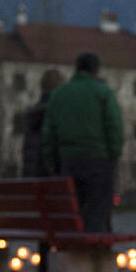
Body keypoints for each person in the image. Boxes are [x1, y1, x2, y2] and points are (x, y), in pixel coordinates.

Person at [43, 52, 123, 233]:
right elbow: (114, 128)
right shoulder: (104, 92)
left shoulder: (59, 94)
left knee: (73, 212)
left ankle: (74, 255)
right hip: (99, 162)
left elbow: (49, 134)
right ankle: (93, 256)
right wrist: (113, 156)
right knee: (97, 213)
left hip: (69, 162)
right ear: (96, 70)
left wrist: (54, 164)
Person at [22, 68, 65, 272]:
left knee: (46, 217)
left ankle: (43, 268)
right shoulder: (58, 114)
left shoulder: (32, 116)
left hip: (34, 185)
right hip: (54, 182)